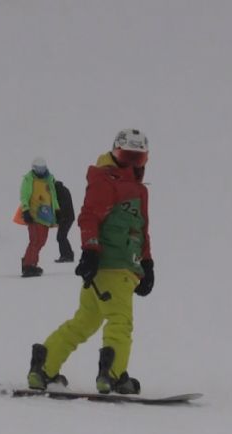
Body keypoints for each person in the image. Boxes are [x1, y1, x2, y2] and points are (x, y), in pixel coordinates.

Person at [27, 129, 154, 395]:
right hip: (111, 266)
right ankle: (113, 375)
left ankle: (43, 367)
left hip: (120, 267)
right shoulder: (105, 181)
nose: (132, 165)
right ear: (115, 153)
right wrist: (91, 251)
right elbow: (89, 217)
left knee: (84, 321)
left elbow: (141, 231)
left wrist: (147, 264)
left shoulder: (138, 191)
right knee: (120, 321)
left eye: (138, 159)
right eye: (126, 157)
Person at [20, 156, 59, 277]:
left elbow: (53, 196)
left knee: (41, 241)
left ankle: (31, 262)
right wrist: (26, 210)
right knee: (35, 240)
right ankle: (28, 265)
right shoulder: (29, 179)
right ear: (34, 169)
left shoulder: (49, 179)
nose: (41, 172)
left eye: (43, 169)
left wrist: (57, 210)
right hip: (34, 214)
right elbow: (24, 195)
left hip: (46, 216)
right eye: (39, 169)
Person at [53, 180, 75, 263]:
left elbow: (62, 205)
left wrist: (60, 217)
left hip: (66, 217)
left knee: (61, 237)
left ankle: (67, 255)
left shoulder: (60, 192)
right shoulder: (63, 190)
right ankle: (68, 255)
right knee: (62, 236)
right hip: (68, 217)